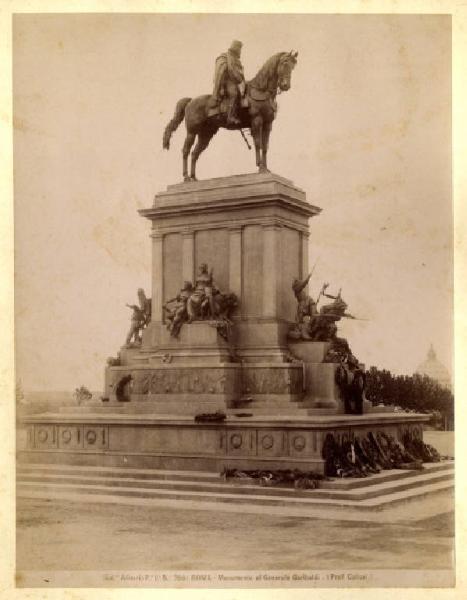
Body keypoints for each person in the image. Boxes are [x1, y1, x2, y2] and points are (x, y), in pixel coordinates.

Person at [211, 40, 246, 126]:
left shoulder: (236, 60)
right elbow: (221, 73)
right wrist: (222, 87)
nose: (240, 51)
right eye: (239, 48)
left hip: (237, 82)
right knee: (234, 94)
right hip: (226, 82)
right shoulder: (225, 57)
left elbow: (239, 72)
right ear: (235, 48)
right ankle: (230, 117)